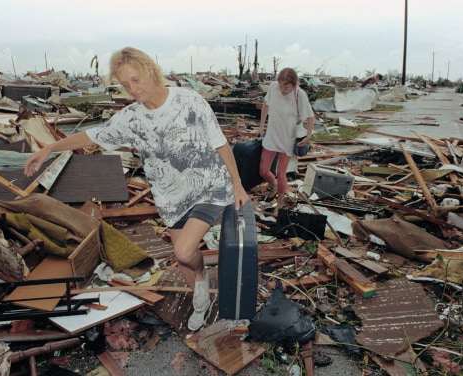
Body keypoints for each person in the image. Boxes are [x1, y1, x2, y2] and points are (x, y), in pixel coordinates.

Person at [24, 47, 249, 331]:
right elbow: (91, 135)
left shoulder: (189, 100)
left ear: (150, 71)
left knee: (182, 251)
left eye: (136, 79)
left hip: (209, 186)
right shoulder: (130, 118)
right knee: (184, 262)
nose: (132, 88)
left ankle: (202, 277)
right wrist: (50, 148)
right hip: (171, 197)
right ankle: (200, 297)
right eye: (125, 83)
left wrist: (238, 184)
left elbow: (220, 143)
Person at [258, 67, 314, 215]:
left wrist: (308, 136)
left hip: (288, 138)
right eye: (281, 85)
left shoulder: (299, 95)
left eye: (286, 87)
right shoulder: (272, 88)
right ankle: (275, 186)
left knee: (281, 172)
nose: (282, 89)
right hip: (272, 134)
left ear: (294, 85)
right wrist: (261, 125)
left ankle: (280, 203)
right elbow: (266, 105)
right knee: (263, 170)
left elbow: (310, 116)